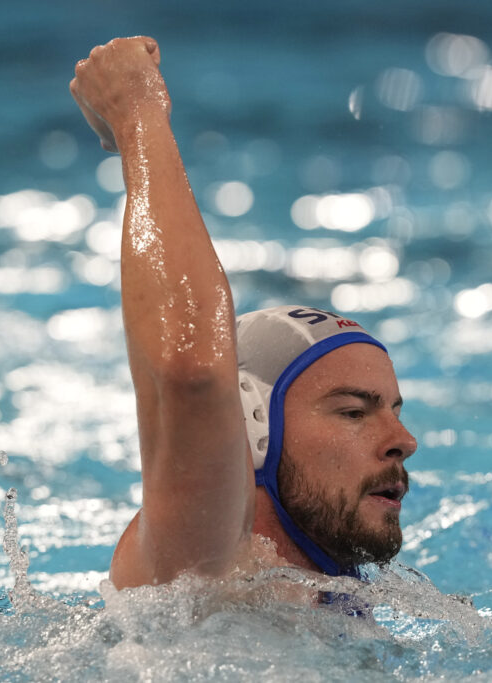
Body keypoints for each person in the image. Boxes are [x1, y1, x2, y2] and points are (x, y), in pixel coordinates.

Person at [70, 37, 417, 592]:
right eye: (354, 412)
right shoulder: (202, 566)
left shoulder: (332, 596)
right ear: (252, 426)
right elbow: (191, 369)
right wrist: (135, 110)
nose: (403, 439)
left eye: (395, 411)